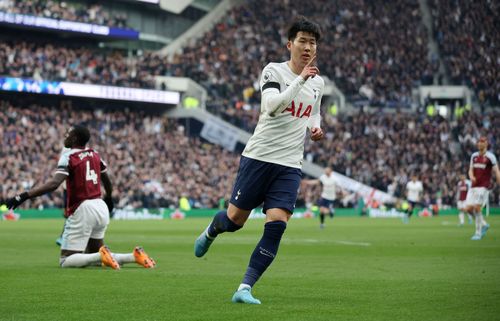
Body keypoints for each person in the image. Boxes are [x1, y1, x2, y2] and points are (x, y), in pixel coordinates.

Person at [194, 16, 324, 304]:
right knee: (235, 220)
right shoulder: (273, 71)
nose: (307, 47)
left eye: (312, 43)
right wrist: (301, 78)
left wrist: (315, 127)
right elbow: (271, 107)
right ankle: (213, 229)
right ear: (290, 44)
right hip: (259, 157)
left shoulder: (319, 83)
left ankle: (245, 288)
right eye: (302, 41)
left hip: (290, 164)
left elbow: (314, 111)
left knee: (277, 225)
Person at [6, 125, 156, 269]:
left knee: (66, 260)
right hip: (100, 206)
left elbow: (54, 183)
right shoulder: (95, 154)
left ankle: (101, 256)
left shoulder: (69, 157)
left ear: (75, 138)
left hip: (83, 208)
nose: (66, 136)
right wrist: (109, 198)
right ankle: (134, 256)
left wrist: (23, 196)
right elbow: (107, 181)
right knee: (93, 255)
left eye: (69, 134)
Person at [465, 136, 500, 240]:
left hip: (483, 187)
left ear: (486, 144)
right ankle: (484, 224)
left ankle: (478, 233)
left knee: (477, 208)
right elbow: (470, 169)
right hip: (473, 186)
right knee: (468, 209)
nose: (480, 143)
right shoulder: (474, 156)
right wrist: (471, 176)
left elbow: (496, 170)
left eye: (482, 142)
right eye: (479, 142)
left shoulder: (491, 157)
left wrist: (498, 179)